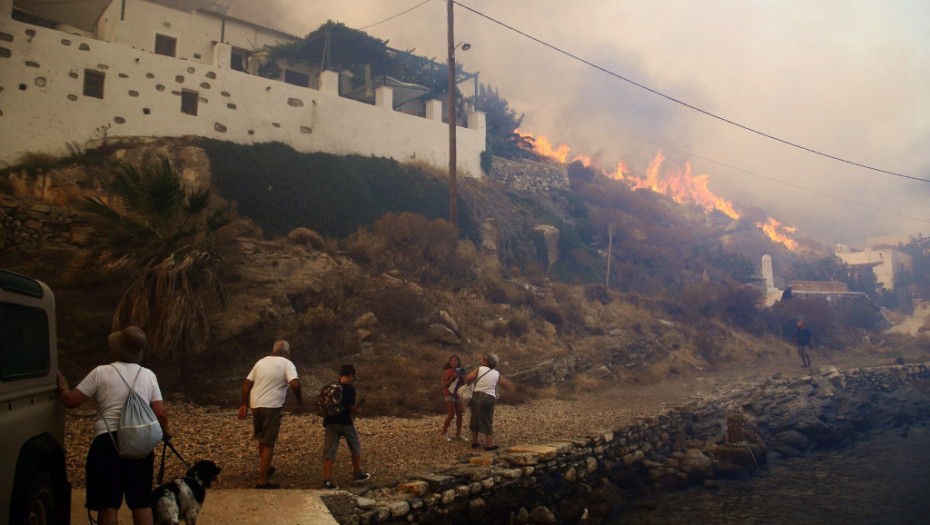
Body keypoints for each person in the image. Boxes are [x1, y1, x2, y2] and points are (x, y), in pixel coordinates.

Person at [58, 326, 171, 525]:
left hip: (107, 443)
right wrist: (166, 433)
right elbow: (160, 412)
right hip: (140, 447)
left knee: (108, 505)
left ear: (115, 351)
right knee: (142, 504)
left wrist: (63, 385)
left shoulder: (101, 373)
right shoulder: (148, 375)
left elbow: (71, 401)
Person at [237, 340, 302, 489]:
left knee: (262, 438)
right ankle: (262, 480)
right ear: (287, 353)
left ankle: (264, 468)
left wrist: (244, 403)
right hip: (271, 406)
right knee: (269, 442)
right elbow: (295, 384)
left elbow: (247, 382)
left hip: (255, 404)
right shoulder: (287, 363)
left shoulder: (261, 362)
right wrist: (299, 399)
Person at [322, 364, 371, 490]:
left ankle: (327, 480)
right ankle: (357, 473)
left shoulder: (332, 387)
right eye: (353, 377)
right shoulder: (349, 389)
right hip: (345, 422)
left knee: (330, 451)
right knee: (355, 447)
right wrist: (358, 411)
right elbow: (350, 407)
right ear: (350, 375)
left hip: (330, 422)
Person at [465, 353, 510, 451]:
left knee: (475, 418)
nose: (482, 360)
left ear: (487, 362)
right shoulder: (496, 373)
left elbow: (468, 378)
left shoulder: (479, 369)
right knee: (487, 419)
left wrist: (469, 384)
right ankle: (489, 445)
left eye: (484, 359)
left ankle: (474, 443)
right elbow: (505, 385)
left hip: (477, 395)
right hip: (489, 397)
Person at [440, 355, 467, 441]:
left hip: (457, 395)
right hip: (449, 394)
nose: (452, 362)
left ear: (458, 362)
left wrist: (462, 376)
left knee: (460, 414)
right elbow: (446, 384)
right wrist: (453, 376)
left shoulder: (460, 371)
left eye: (455, 361)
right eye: (451, 361)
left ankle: (458, 434)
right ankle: (443, 433)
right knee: (451, 414)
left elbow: (463, 384)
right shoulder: (448, 372)